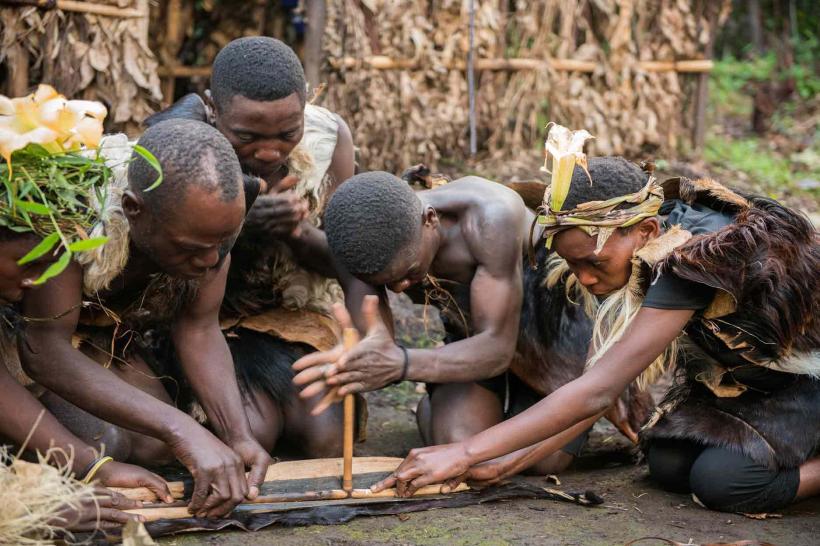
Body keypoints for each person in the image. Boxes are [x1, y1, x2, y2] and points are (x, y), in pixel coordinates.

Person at [370, 155, 820, 515]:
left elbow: (597, 389)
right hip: (747, 385)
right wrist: (508, 462)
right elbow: (601, 379)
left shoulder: (693, 259)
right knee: (667, 463)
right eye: (573, 264)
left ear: (645, 232)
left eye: (593, 264)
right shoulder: (638, 238)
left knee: (722, 483)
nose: (584, 278)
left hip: (803, 382)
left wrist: (465, 453)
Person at [292, 171, 648, 474]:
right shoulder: (360, 243)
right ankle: (442, 403)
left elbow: (496, 349)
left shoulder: (489, 217)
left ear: (430, 220)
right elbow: (376, 341)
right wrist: (359, 357)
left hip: (546, 330)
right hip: (470, 337)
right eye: (388, 282)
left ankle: (540, 403)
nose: (401, 288)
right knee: (461, 448)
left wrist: (402, 363)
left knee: (543, 462)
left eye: (410, 273)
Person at [17, 119, 271, 519]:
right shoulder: (75, 213)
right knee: (110, 444)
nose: (210, 260)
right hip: (33, 343)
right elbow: (43, 349)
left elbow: (199, 328)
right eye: (191, 248)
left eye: (221, 244)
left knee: (157, 448)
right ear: (134, 209)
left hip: (103, 338)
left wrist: (236, 435)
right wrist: (183, 428)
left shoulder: (212, 227)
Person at [145, 36, 357, 457]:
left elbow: (348, 262)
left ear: (304, 108)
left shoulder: (328, 140)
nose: (269, 151)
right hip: (202, 321)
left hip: (295, 318)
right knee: (254, 432)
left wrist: (297, 233)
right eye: (246, 135)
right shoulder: (180, 147)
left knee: (327, 440)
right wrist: (236, 224)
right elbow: (162, 266)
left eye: (287, 133)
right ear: (213, 110)